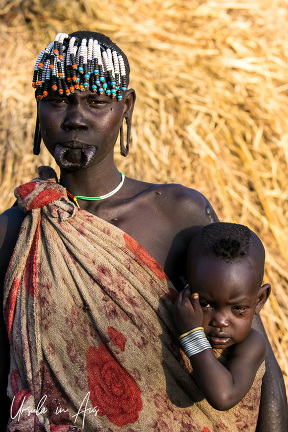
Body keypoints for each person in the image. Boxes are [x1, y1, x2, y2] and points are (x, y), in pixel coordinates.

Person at [0, 31, 286, 431]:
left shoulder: (178, 214)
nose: (75, 118)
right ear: (39, 108)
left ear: (126, 107)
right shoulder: (18, 233)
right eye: (57, 100)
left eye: (97, 101)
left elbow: (258, 362)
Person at [173, 222, 270, 417]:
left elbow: (224, 396)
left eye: (239, 309)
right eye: (206, 304)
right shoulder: (171, 318)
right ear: (186, 292)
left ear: (259, 300)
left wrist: (191, 335)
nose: (221, 321)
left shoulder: (253, 344)